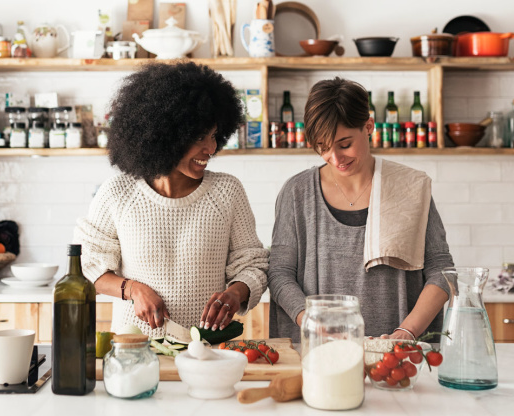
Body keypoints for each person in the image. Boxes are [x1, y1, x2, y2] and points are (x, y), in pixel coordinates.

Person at [74, 61, 268, 337]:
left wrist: (235, 293)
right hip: (135, 349)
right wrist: (133, 290)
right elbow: (88, 267)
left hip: (207, 351)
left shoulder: (227, 192)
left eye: (214, 136)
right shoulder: (118, 193)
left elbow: (254, 265)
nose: (211, 148)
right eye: (199, 137)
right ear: (164, 135)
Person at [268, 77, 453, 343]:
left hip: (396, 354)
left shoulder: (409, 187)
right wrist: (310, 322)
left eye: (344, 144)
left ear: (368, 126)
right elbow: (279, 274)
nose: (335, 158)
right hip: (322, 350)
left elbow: (441, 270)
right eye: (322, 147)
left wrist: (406, 333)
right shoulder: (297, 193)